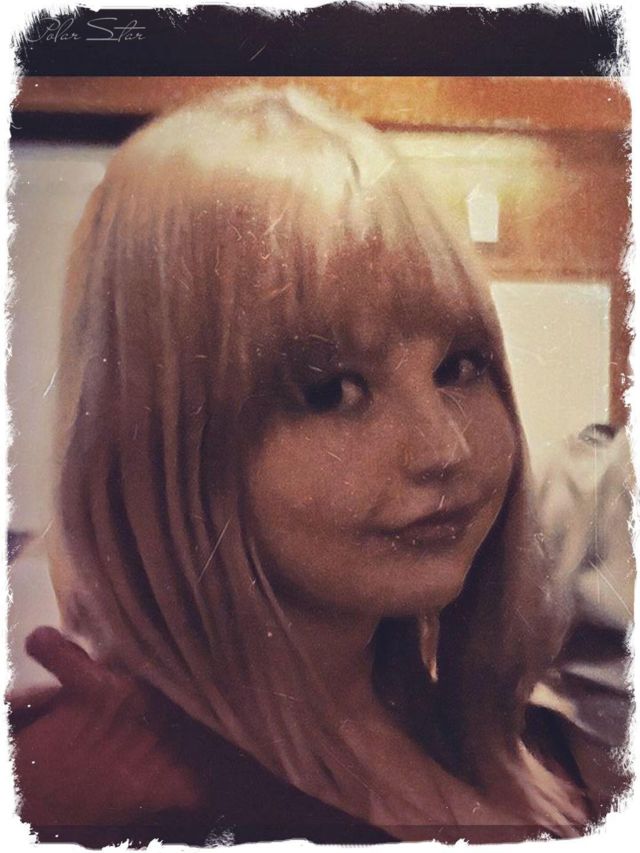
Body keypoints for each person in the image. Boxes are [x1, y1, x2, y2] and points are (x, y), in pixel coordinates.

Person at [11, 85, 599, 845]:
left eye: (458, 366)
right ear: (156, 439)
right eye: (333, 391)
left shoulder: (498, 733)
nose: (443, 449)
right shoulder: (101, 810)